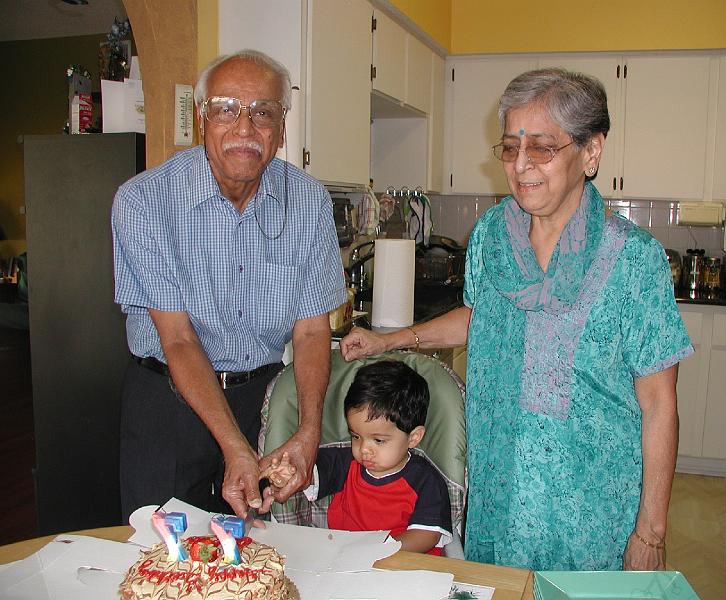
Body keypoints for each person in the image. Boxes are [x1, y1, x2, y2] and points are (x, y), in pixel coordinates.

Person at [340, 68, 693, 572]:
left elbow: (660, 404)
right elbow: (482, 319)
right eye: (510, 148)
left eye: (542, 148)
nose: (521, 166)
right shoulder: (490, 235)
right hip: (500, 499)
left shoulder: (634, 261)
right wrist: (390, 340)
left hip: (593, 513)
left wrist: (651, 531)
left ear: (591, 152)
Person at [111, 49, 346, 521]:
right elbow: (177, 338)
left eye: (263, 112)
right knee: (166, 564)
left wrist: (306, 431)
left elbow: (312, 332)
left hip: (261, 403)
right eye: (226, 109)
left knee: (258, 564)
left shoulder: (310, 201)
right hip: (169, 405)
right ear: (203, 119)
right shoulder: (143, 201)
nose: (245, 129)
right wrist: (233, 447)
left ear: (281, 129)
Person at [263, 360, 453, 555]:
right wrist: (287, 474)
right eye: (356, 436)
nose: (364, 450)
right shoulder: (347, 463)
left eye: (378, 441)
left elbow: (426, 535)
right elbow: (307, 473)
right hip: (345, 562)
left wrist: (377, 551)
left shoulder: (425, 480)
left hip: (403, 567)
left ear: (413, 438)